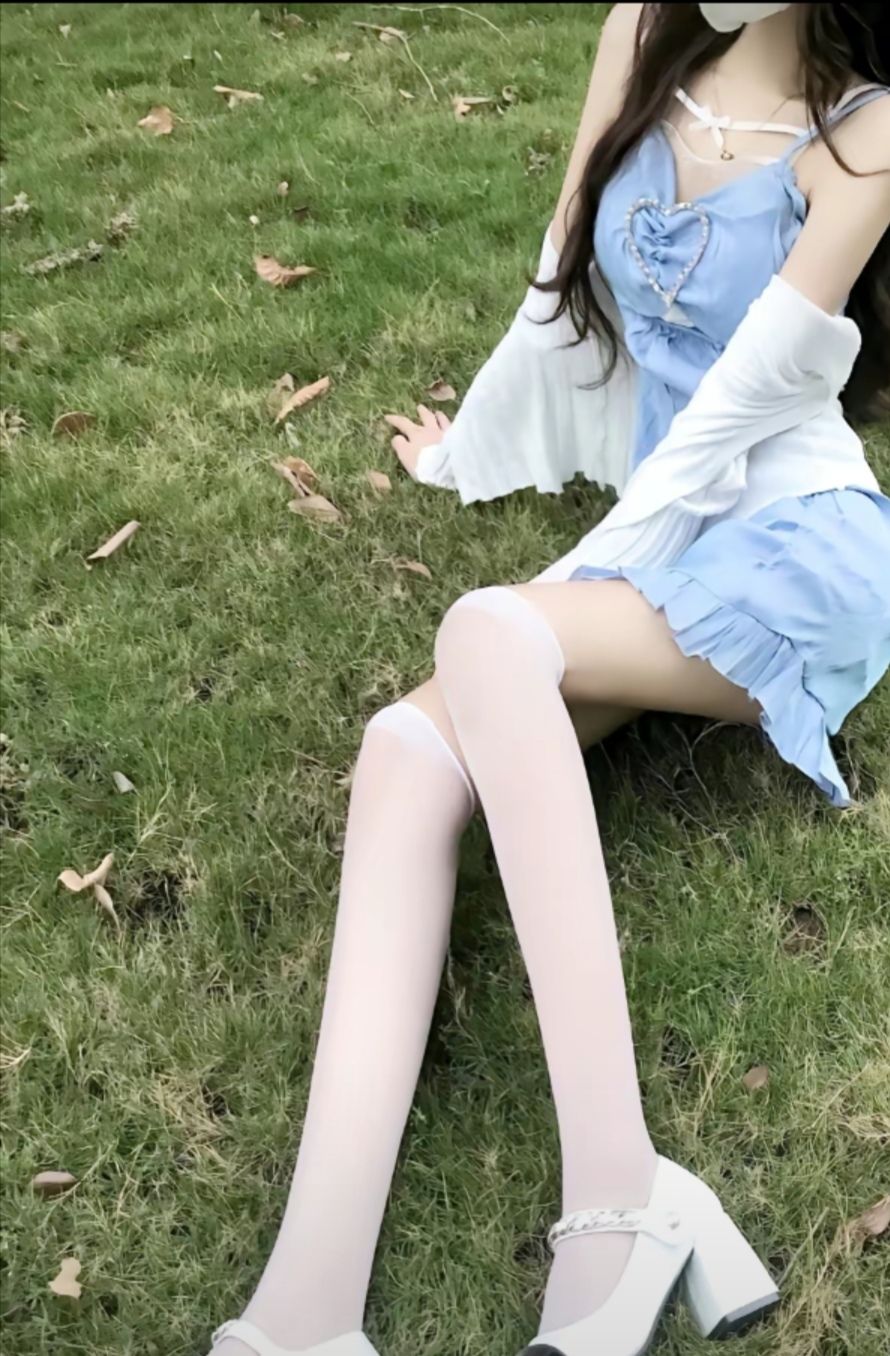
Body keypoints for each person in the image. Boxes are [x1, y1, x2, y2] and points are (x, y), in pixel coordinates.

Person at [209, 4, 890, 1355]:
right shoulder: (640, 35)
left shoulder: (868, 133)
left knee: (491, 633)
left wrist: (575, 575)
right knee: (403, 749)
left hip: (798, 541)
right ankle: (303, 1305)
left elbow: (742, 405)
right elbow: (562, 280)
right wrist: (470, 446)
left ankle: (620, 1193)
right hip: (668, 533)